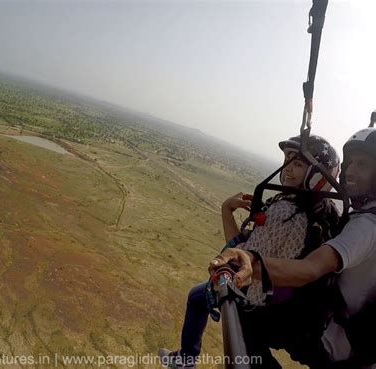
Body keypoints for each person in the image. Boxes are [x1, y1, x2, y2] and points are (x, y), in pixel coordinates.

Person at [158, 134, 341, 369]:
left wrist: (226, 210)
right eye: (287, 160)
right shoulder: (321, 209)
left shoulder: (285, 212)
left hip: (262, 305)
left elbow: (241, 260)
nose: (287, 169)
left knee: (198, 299)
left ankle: (185, 359)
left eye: (298, 164)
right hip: (298, 313)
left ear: (317, 175)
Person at [211, 127, 376, 368]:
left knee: (242, 320)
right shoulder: (350, 212)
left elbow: (310, 268)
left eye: (363, 165)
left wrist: (250, 261)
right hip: (342, 338)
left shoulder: (366, 226)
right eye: (350, 163)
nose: (350, 171)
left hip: (333, 344)